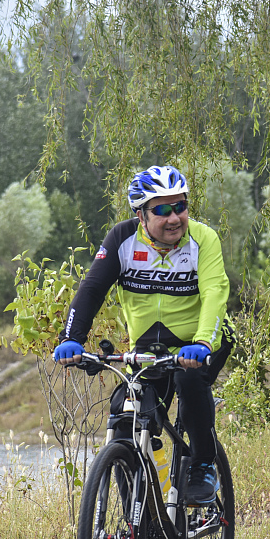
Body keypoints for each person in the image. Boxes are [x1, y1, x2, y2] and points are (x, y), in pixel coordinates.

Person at [53, 165, 232, 503]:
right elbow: (91, 289)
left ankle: (203, 465)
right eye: (162, 210)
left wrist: (203, 342)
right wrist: (71, 337)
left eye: (180, 206)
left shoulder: (203, 239)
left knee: (191, 382)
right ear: (140, 214)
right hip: (149, 348)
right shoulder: (122, 239)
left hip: (201, 342)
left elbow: (214, 293)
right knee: (126, 419)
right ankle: (146, 531)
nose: (175, 217)